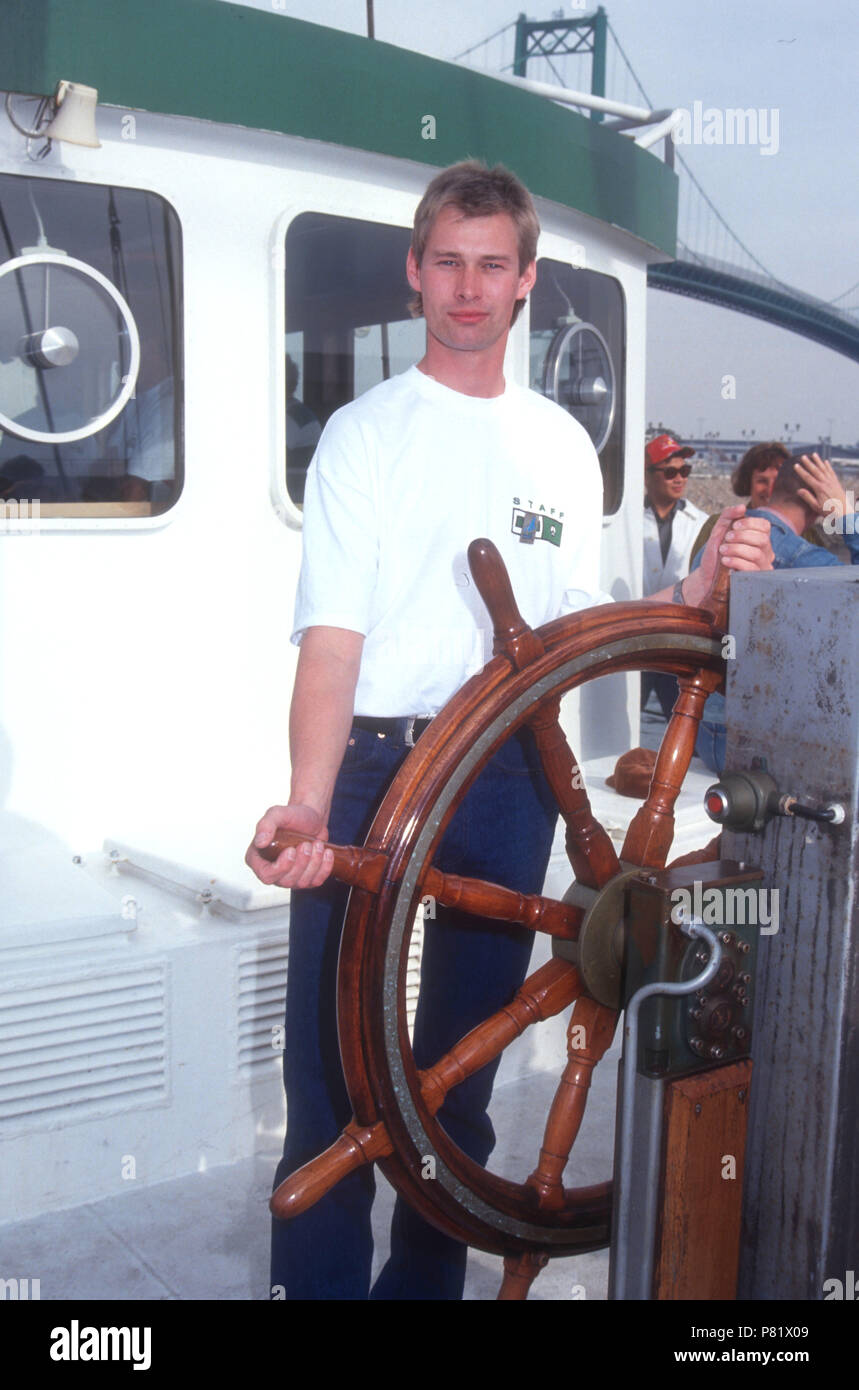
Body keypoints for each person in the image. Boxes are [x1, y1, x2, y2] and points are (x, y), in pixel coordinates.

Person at [245, 160, 772, 1301]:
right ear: (414, 273)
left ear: (526, 279)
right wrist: (304, 795)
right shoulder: (364, 434)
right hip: (376, 768)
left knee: (458, 1078)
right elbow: (330, 645)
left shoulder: (558, 451)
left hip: (508, 774)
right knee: (332, 1081)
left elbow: (582, 630)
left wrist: (695, 588)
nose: (469, 288)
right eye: (448, 263)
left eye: (492, 265)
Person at [693, 450, 858, 774]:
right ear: (814, 497)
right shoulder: (804, 558)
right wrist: (846, 514)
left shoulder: (719, 540)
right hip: (759, 743)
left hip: (706, 729)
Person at [641, 433, 707, 718]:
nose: (679, 478)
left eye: (685, 471)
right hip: (634, 641)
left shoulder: (701, 523)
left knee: (682, 724)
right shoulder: (625, 520)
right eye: (670, 472)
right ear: (647, 475)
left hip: (679, 645)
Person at [690, 440, 823, 563]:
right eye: (762, 481)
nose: (771, 489)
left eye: (778, 482)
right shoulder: (719, 527)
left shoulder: (808, 535)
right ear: (748, 484)